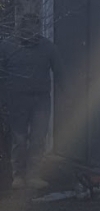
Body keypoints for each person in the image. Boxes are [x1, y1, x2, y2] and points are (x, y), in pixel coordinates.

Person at [0, 12, 58, 189]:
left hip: (41, 100)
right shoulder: (7, 46)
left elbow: (60, 71)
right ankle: (18, 176)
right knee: (19, 139)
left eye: (34, 28)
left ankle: (34, 175)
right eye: (27, 28)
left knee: (38, 138)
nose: (30, 32)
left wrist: (69, 94)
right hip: (16, 101)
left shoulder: (48, 47)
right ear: (20, 28)